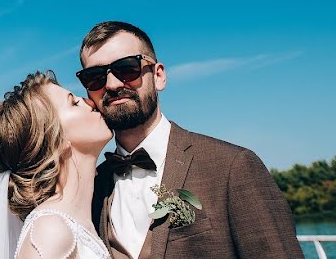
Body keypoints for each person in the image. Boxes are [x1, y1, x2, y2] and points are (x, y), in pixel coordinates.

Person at [77, 21, 303, 259]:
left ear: (159, 76)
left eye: (127, 68)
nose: (112, 84)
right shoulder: (91, 187)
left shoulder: (232, 166)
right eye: (95, 77)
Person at [0, 71, 113, 259]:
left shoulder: (77, 221)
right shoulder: (50, 230)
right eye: (74, 102)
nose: (89, 101)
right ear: (56, 140)